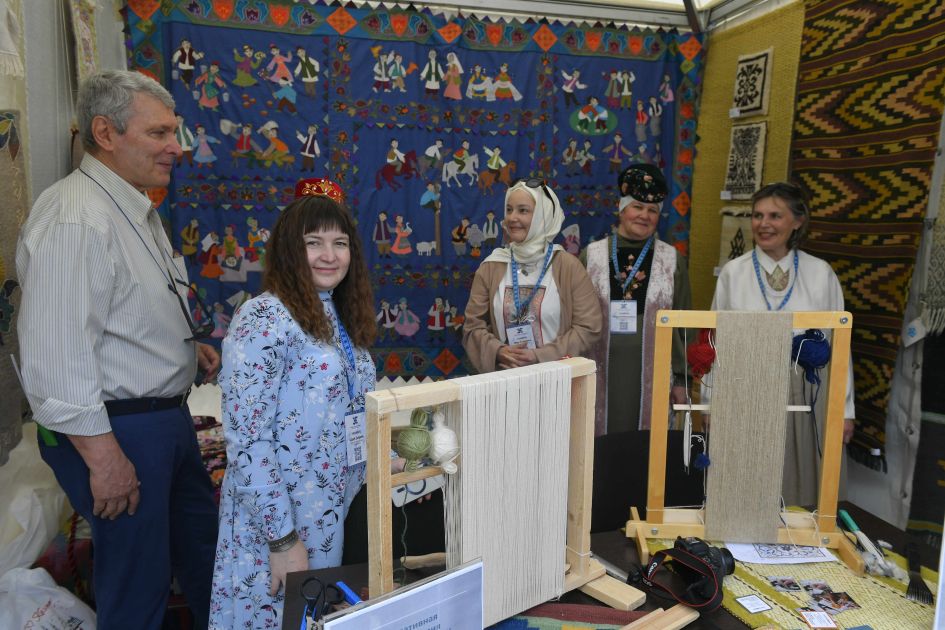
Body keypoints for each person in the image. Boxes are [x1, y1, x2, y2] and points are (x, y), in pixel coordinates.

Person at [16, 69, 220, 629]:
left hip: (160, 421)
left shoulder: (129, 207)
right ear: (105, 133)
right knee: (138, 587)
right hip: (118, 430)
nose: (176, 147)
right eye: (158, 133)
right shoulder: (76, 219)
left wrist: (182, 351)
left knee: (204, 556)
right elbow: (55, 358)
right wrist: (105, 460)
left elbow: (120, 315)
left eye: (173, 131)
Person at [210, 178, 377, 628]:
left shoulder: (339, 315)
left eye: (340, 243)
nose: (329, 255)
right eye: (313, 242)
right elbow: (248, 441)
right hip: (277, 527)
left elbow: (346, 416)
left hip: (328, 519)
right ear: (289, 249)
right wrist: (282, 540)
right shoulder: (264, 317)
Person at [709, 182, 856, 507]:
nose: (764, 224)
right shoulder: (734, 273)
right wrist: (710, 403)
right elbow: (715, 342)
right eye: (757, 215)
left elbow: (840, 347)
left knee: (802, 491)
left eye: (775, 216)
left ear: (797, 221)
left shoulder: (821, 274)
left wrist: (844, 411)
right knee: (745, 488)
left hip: (806, 392)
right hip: (745, 391)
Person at [582, 164, 692, 435]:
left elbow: (685, 325)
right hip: (599, 374)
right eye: (637, 207)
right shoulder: (591, 256)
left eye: (652, 210)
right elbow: (574, 319)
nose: (644, 215)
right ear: (621, 209)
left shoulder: (672, 260)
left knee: (647, 448)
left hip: (656, 377)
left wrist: (682, 379)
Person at [463, 179, 601, 372]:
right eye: (509, 209)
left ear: (542, 217)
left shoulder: (568, 267)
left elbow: (588, 327)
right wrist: (498, 351)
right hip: (507, 379)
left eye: (523, 210)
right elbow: (472, 327)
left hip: (556, 380)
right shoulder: (491, 266)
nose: (512, 218)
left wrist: (540, 356)